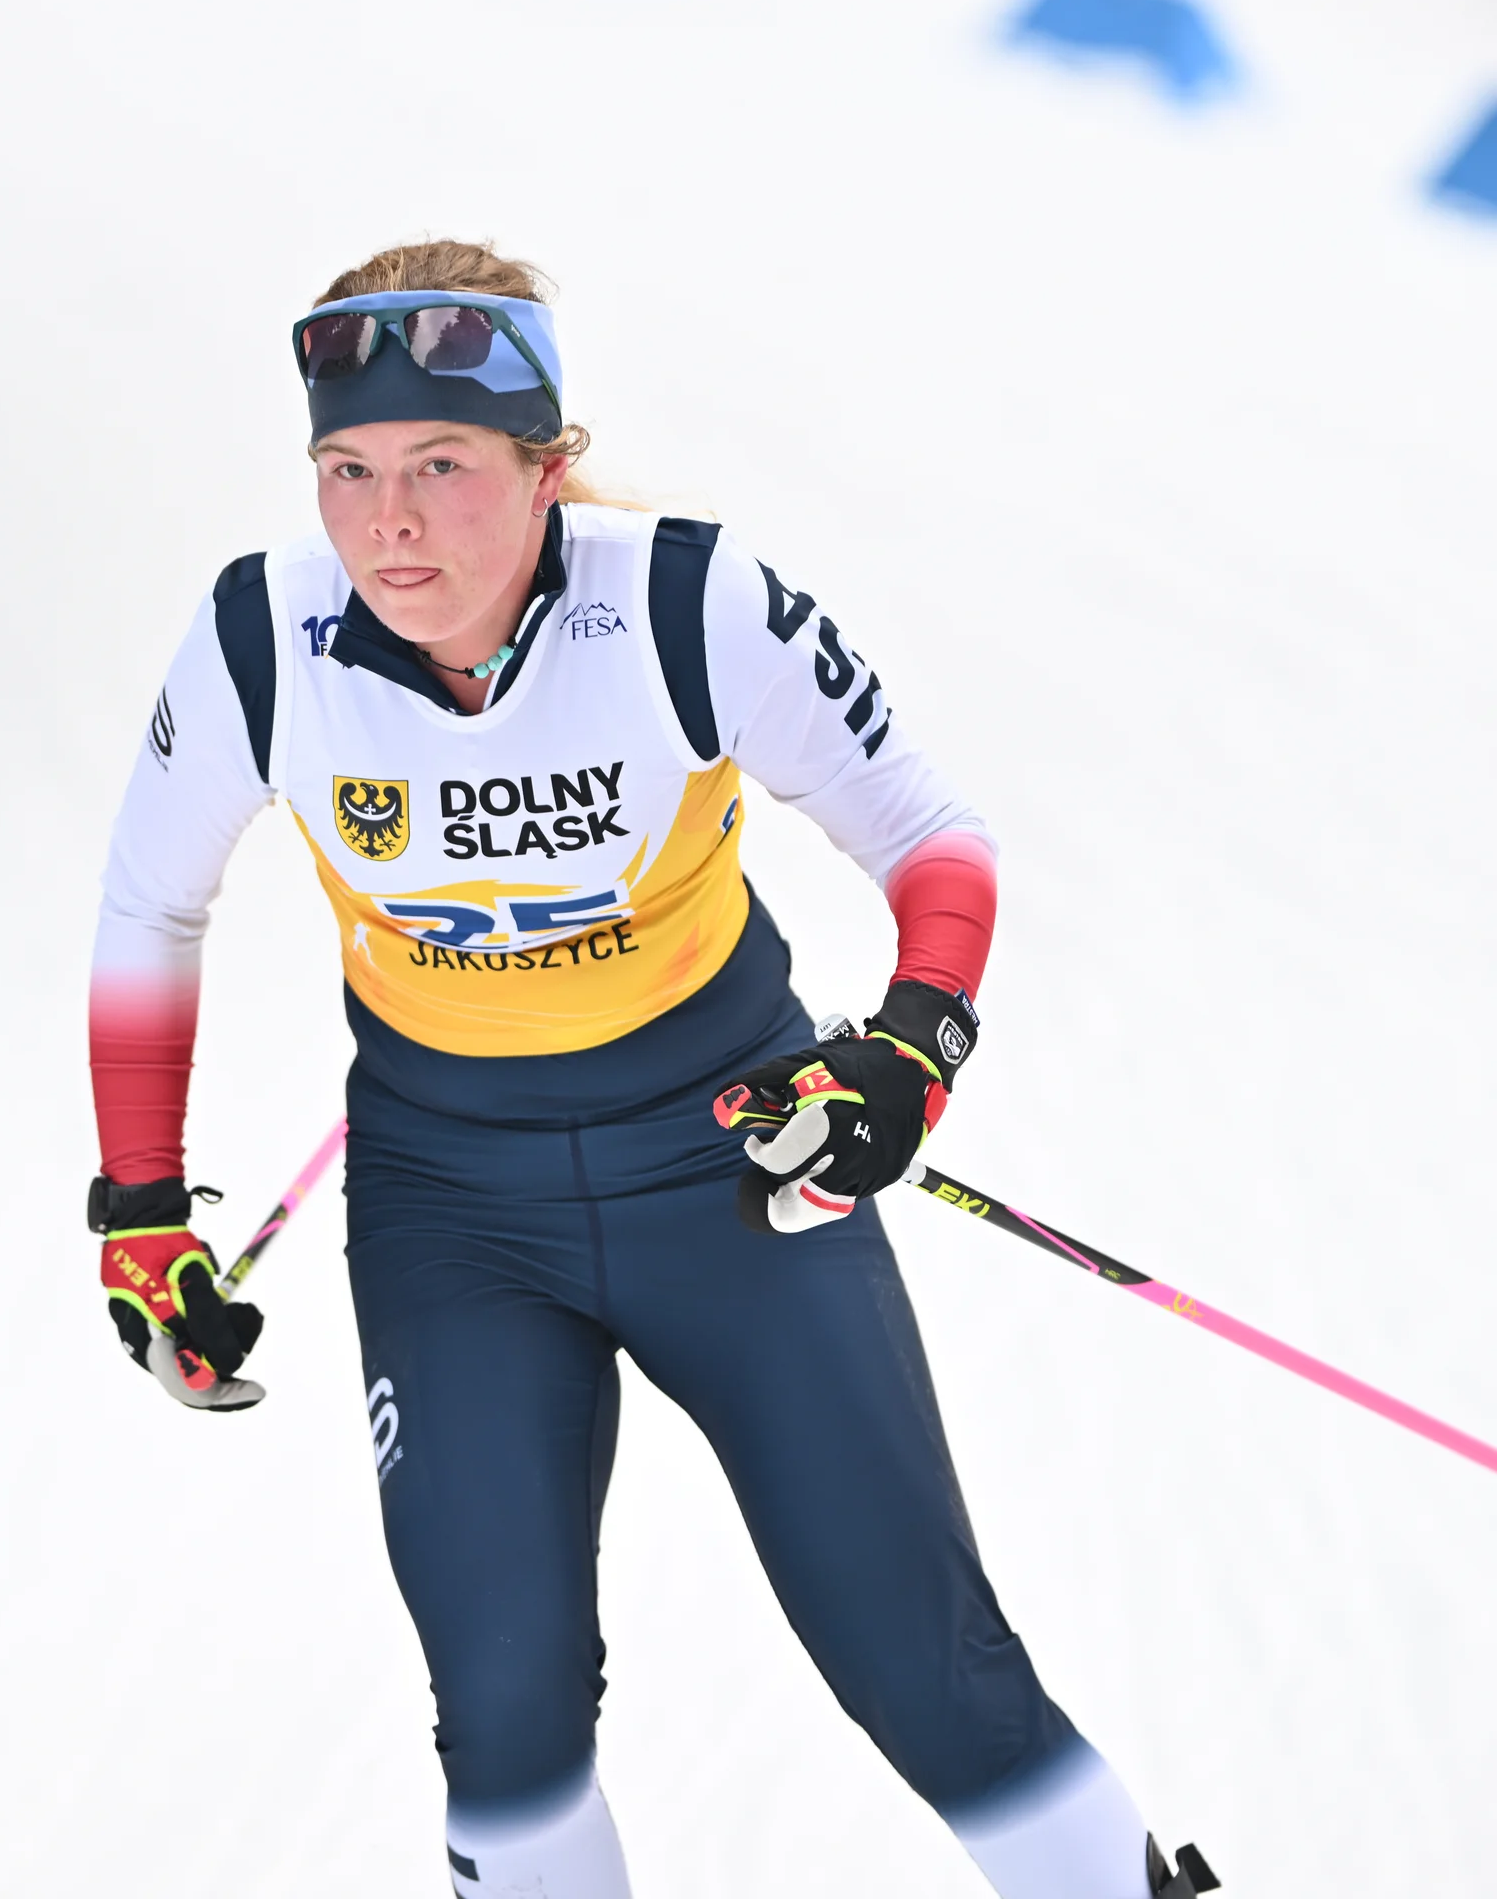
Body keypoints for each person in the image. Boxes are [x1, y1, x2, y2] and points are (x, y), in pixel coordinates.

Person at [85, 241, 1213, 1899]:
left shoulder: (685, 603)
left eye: (443, 466)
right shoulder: (264, 638)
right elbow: (147, 909)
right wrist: (138, 1212)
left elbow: (932, 840)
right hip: (454, 1212)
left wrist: (910, 1051)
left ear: (547, 469)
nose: (389, 523)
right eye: (349, 471)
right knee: (507, 1712)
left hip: (735, 1175)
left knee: (926, 1664)